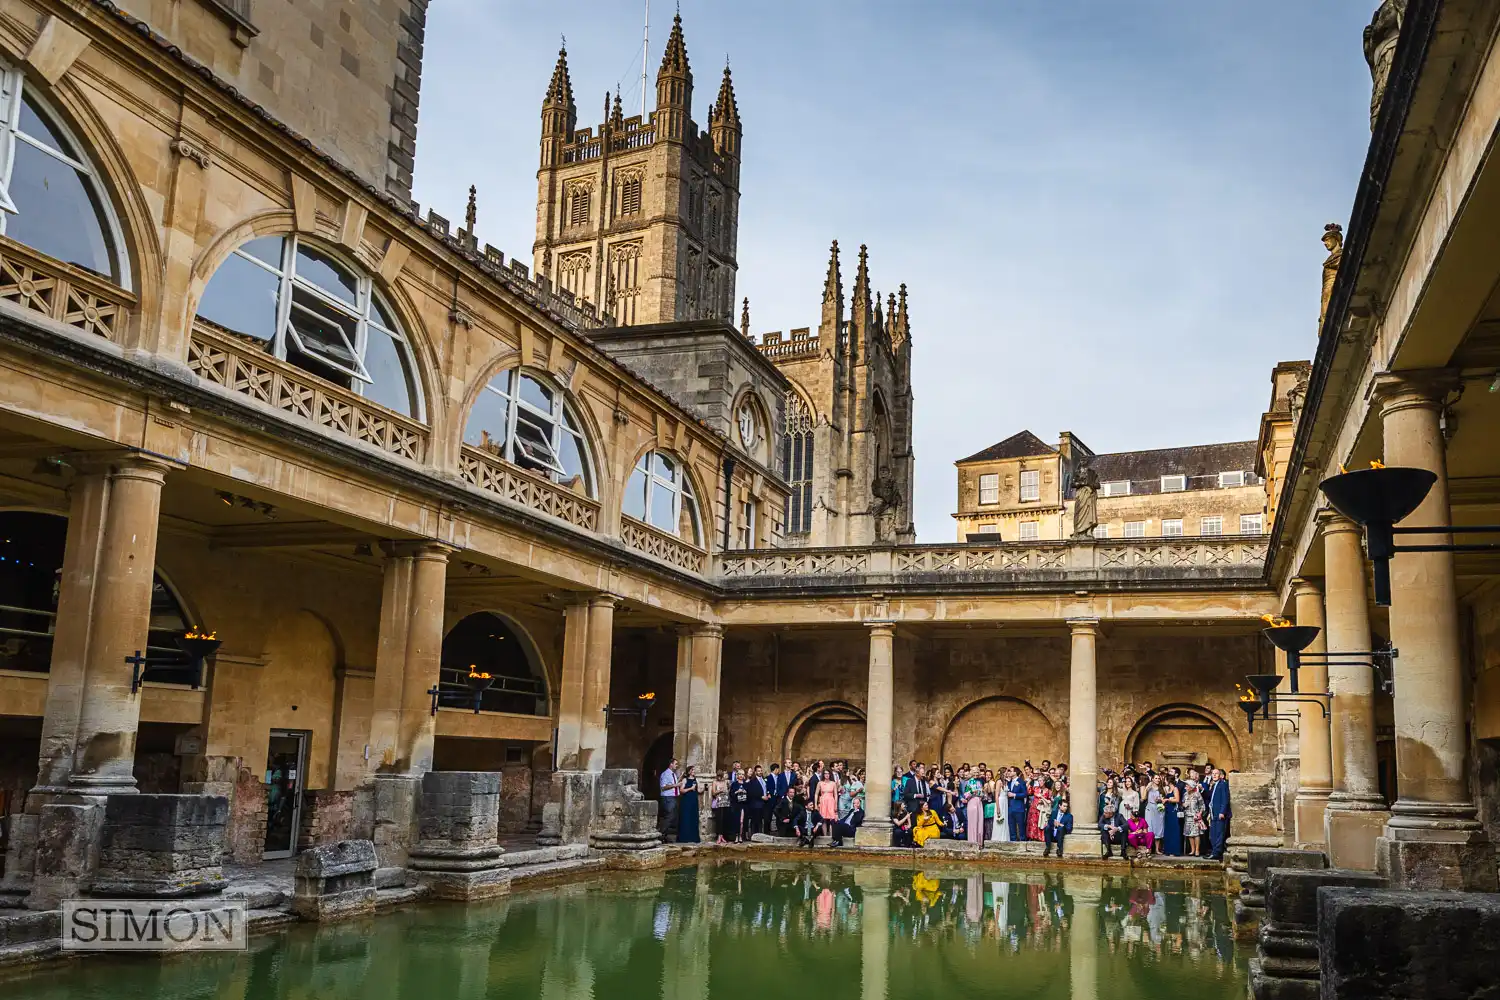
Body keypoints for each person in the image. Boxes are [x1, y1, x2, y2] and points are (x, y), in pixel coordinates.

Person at [1207, 768, 1232, 861]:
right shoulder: (1214, 785)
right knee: (1213, 834)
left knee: (1219, 834)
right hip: (1213, 813)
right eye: (1213, 773)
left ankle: (1217, 853)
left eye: (1216, 773)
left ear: (1220, 775)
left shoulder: (1223, 784)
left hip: (1220, 813)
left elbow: (1225, 799)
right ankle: (1214, 851)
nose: (1214, 775)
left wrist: (1222, 812)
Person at [1181, 771, 1206, 857]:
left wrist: (1200, 813)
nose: (1185, 787)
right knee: (1189, 834)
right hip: (1188, 816)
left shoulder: (1197, 794)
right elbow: (1182, 804)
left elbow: (1202, 805)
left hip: (1195, 817)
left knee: (1196, 834)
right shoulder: (1185, 795)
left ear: (1191, 787)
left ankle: (1197, 850)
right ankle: (1192, 850)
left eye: (1187, 786)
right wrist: (1184, 805)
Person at [677, 765, 702, 843]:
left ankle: (693, 838)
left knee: (693, 817)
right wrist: (690, 788)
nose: (694, 771)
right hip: (686, 800)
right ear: (689, 771)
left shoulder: (696, 780)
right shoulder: (685, 780)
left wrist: (704, 788)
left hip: (694, 800)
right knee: (686, 818)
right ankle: (684, 838)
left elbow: (699, 791)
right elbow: (681, 791)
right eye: (693, 770)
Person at [962, 765, 985, 845]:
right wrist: (972, 792)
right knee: (973, 823)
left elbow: (982, 794)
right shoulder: (968, 782)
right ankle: (972, 843)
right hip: (972, 802)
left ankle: (979, 843)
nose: (976, 773)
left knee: (979, 822)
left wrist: (981, 793)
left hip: (979, 802)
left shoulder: (980, 782)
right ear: (971, 772)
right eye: (974, 772)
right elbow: (965, 795)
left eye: (977, 772)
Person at [1161, 769, 1183, 857]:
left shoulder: (1175, 788)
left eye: (1165, 780)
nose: (1164, 781)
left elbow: (1177, 800)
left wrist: (1167, 799)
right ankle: (1168, 850)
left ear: (1169, 780)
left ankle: (1174, 850)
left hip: (1173, 811)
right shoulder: (1168, 789)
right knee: (1168, 830)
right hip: (1168, 811)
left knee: (1174, 830)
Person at [658, 758, 680, 841]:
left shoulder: (673, 774)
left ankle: (664, 836)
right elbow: (663, 787)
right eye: (676, 764)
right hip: (668, 797)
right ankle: (661, 834)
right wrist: (676, 785)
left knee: (673, 817)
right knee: (669, 816)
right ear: (671, 764)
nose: (677, 766)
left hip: (674, 797)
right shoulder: (665, 774)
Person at [744, 764, 767, 838]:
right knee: (755, 821)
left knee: (760, 820)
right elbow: (752, 792)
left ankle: (760, 835)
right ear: (755, 772)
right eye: (758, 771)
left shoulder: (763, 779)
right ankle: (754, 835)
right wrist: (761, 797)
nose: (760, 772)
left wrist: (768, 794)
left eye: (761, 771)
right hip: (755, 804)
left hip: (763, 804)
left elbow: (765, 789)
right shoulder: (753, 781)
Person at [1006, 768, 1028, 842]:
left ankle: (1022, 842)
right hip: (1010, 807)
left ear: (1015, 772)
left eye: (1011, 771)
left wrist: (1014, 795)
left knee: (1021, 826)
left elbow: (1025, 794)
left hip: (1019, 808)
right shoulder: (1008, 782)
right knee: (1011, 826)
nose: (1009, 772)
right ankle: (1013, 841)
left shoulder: (1021, 782)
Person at [1144, 775, 1165, 855]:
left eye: (1159, 778)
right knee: (1149, 828)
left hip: (1159, 809)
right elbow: (1143, 797)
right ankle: (1148, 848)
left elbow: (1164, 799)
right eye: (1156, 778)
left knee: (1158, 828)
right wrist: (1146, 789)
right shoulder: (1149, 788)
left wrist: (1160, 800)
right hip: (1150, 808)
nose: (1157, 780)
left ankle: (1157, 849)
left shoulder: (1162, 788)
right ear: (1152, 779)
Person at [816, 768, 840, 837]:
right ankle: (825, 835)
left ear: (830, 774)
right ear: (823, 774)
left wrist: (836, 805)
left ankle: (831, 836)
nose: (827, 775)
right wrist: (816, 804)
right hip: (823, 801)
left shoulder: (833, 783)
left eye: (828, 773)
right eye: (825, 773)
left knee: (832, 819)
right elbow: (816, 794)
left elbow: (835, 795)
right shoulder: (820, 783)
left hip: (831, 801)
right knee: (823, 819)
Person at [728, 767, 748, 843]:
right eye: (740, 774)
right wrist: (737, 791)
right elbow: (731, 794)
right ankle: (736, 836)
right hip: (736, 805)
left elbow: (750, 795)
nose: (741, 776)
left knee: (741, 821)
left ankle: (740, 836)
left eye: (742, 774)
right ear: (737, 775)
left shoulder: (746, 784)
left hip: (743, 804)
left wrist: (745, 792)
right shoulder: (734, 784)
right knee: (736, 821)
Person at [710, 770, 730, 845]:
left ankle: (723, 836)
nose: (719, 778)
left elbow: (728, 791)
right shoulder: (715, 782)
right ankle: (719, 836)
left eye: (720, 776)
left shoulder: (726, 782)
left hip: (726, 802)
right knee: (719, 819)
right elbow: (713, 793)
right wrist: (720, 790)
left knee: (725, 819)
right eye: (718, 776)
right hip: (719, 802)